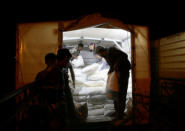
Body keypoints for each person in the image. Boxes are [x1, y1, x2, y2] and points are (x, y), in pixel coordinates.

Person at [95, 46, 131, 120]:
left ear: (103, 51)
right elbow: (112, 65)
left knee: (121, 93)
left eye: (100, 54)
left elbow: (124, 55)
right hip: (117, 73)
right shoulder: (105, 56)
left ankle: (120, 113)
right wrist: (110, 71)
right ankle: (117, 111)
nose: (101, 56)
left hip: (123, 73)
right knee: (115, 92)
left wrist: (117, 63)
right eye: (100, 55)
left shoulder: (111, 50)